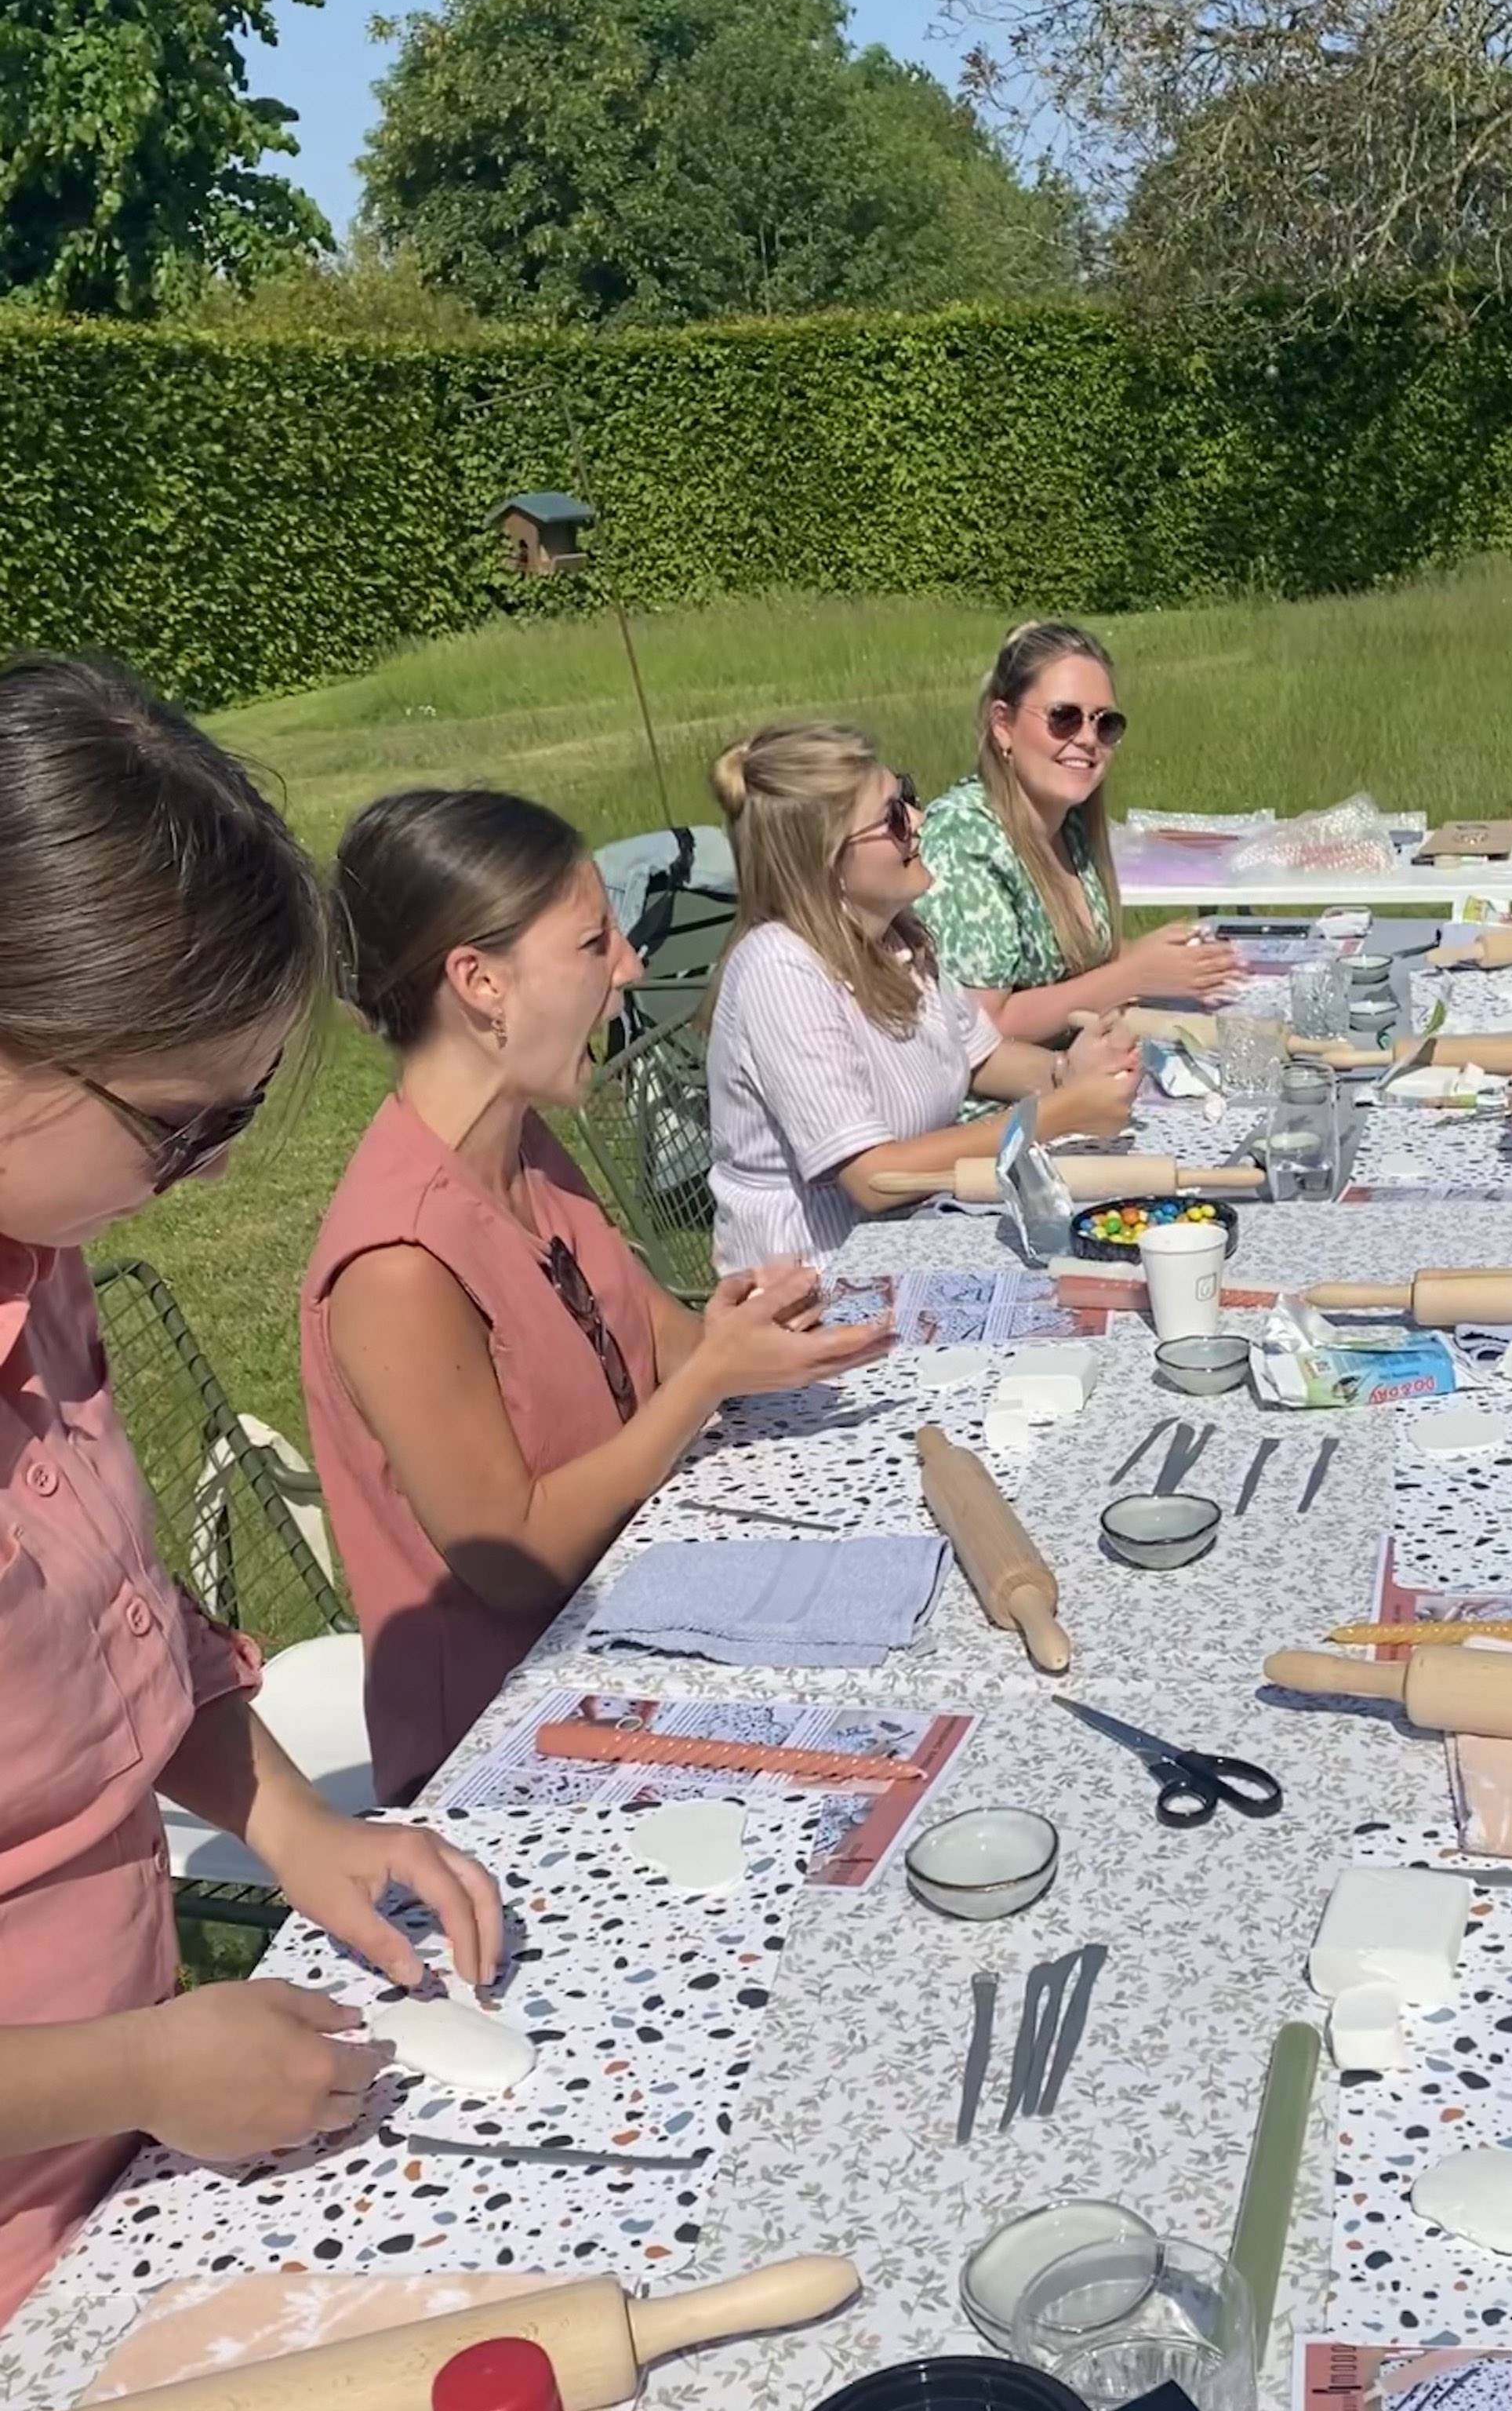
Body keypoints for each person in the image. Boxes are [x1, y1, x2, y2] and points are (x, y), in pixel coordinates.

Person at [0, 655, 502, 2329]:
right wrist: (141, 2066)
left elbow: (116, 1632)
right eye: (175, 1123)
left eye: (243, 1113)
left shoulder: (36, 1252)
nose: (210, 1171)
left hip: (118, 2182)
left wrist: (294, 1826)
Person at [305, 790, 894, 1805]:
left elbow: (661, 1343)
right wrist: (711, 1379)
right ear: (480, 983)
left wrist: (754, 1334)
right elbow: (518, 1559)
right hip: (506, 1757)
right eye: (594, 943)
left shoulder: (520, 1144)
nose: (631, 966)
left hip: (638, 1639)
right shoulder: (398, 1263)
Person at [703, 722, 1143, 1270]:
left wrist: (1068, 1070)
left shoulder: (894, 937)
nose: (918, 819)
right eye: (892, 817)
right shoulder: (781, 971)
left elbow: (978, 1056)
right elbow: (876, 1178)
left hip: (910, 1242)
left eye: (906, 796)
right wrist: (1058, 1113)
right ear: (827, 862)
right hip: (813, 1282)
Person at [914, 620, 1243, 1037]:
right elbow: (983, 1026)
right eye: (1064, 717)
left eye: (1105, 724)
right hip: (1028, 1080)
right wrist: (1137, 974)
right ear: (1003, 725)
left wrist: (1161, 957)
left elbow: (1074, 966)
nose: (1089, 739)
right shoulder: (964, 838)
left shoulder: (1069, 822)